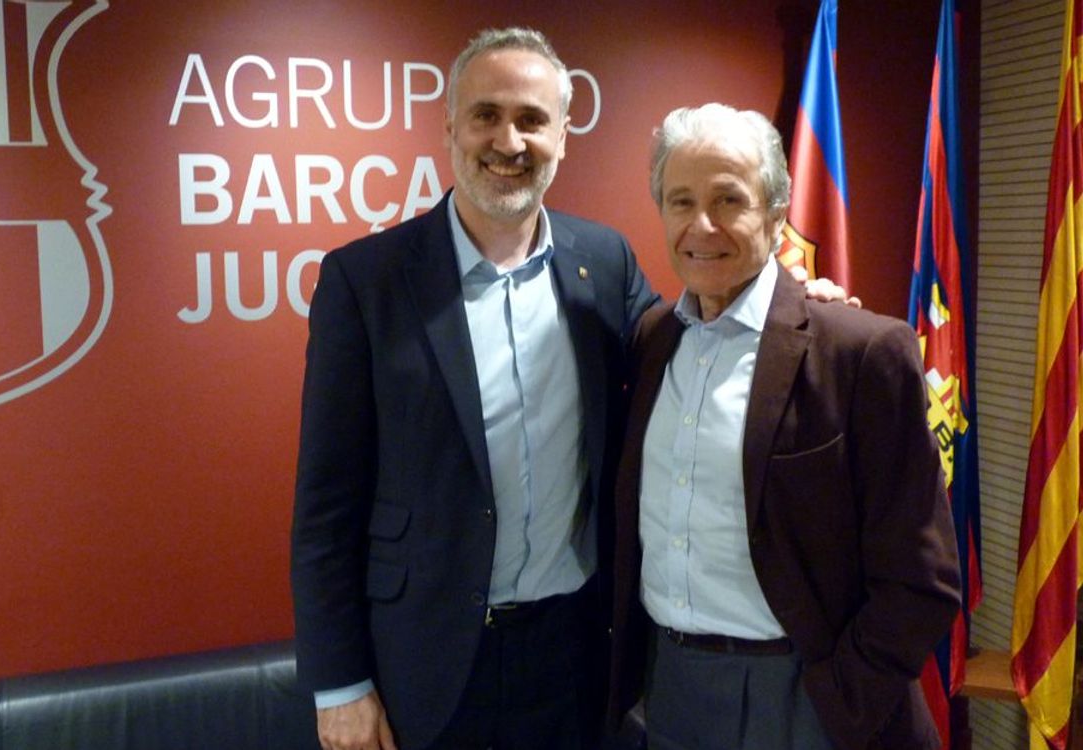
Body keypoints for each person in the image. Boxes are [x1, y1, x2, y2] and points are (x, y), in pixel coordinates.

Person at [291, 27, 656, 750]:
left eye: (531, 119)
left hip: (573, 656)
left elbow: (677, 348)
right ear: (450, 126)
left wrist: (787, 308)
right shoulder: (365, 281)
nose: (508, 141)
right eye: (486, 115)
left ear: (562, 137)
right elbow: (326, 507)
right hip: (426, 663)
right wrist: (339, 685)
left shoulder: (604, 261)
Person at [607, 103, 962, 750]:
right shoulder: (652, 341)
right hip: (669, 686)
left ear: (775, 216)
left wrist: (840, 700)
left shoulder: (858, 352)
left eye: (729, 200)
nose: (702, 225)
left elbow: (922, 577)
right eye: (681, 201)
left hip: (803, 694)